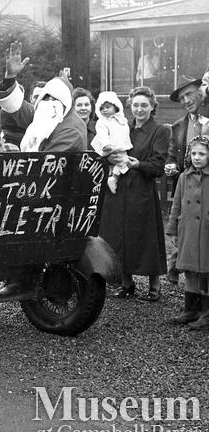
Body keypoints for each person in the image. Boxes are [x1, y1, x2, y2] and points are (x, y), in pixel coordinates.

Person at [99, 86, 169, 302]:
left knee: (145, 236)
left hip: (141, 189)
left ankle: (154, 284)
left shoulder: (160, 131)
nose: (139, 109)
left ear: (152, 107)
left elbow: (158, 165)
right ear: (129, 105)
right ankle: (126, 281)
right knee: (120, 234)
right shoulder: (122, 126)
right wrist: (109, 158)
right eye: (136, 105)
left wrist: (138, 163)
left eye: (144, 105)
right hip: (119, 189)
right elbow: (106, 151)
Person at [0, 41, 87, 153]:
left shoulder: (72, 129)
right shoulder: (42, 115)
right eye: (45, 98)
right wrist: (10, 77)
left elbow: (49, 163)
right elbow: (14, 105)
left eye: (55, 99)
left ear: (65, 103)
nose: (49, 102)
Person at [164, 75, 208, 284]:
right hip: (187, 186)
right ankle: (190, 296)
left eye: (189, 94)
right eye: (182, 99)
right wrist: (171, 165)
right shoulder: (178, 126)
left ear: (201, 92)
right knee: (186, 231)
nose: (186, 101)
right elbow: (172, 155)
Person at [165, 136, 209, 329]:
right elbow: (176, 204)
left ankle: (206, 313)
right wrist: (173, 229)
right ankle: (191, 309)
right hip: (189, 229)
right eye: (193, 153)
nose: (197, 157)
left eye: (202, 154)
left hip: (206, 231)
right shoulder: (184, 177)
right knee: (190, 269)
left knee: (206, 271)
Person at [91, 91, 133, 194]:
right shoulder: (102, 122)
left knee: (123, 161)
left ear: (116, 107)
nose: (104, 110)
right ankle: (113, 177)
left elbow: (123, 132)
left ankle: (113, 178)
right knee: (123, 161)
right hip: (110, 147)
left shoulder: (121, 120)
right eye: (102, 108)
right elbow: (102, 134)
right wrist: (106, 145)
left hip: (119, 146)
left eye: (107, 107)